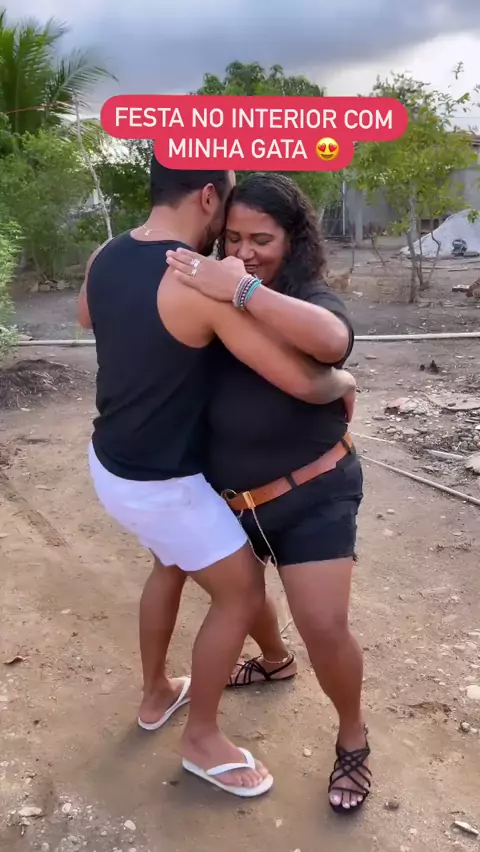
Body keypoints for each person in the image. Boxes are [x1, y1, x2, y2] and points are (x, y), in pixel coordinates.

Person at [76, 158, 356, 798]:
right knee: (240, 591)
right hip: (164, 482)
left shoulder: (106, 255)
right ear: (208, 195)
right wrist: (343, 382)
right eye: (228, 212)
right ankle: (202, 737)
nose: (233, 237)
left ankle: (157, 693)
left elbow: (88, 316)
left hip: (112, 461)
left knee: (170, 566)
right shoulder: (197, 285)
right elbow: (303, 381)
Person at [165, 172, 371, 814]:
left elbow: (333, 342)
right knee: (240, 596)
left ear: (293, 239)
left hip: (313, 491)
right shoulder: (204, 290)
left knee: (324, 626)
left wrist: (243, 288)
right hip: (230, 498)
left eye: (263, 239)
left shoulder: (305, 294)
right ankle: (274, 662)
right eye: (233, 238)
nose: (246, 251)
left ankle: (353, 736)